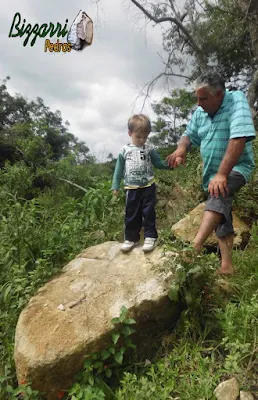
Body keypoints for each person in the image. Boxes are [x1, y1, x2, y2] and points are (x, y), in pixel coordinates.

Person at [167, 71, 256, 275]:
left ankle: (194, 248)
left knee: (218, 193)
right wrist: (181, 149)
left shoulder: (236, 100)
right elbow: (188, 135)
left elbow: (239, 138)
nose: (199, 103)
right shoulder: (201, 112)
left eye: (203, 98)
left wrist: (222, 174)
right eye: (197, 98)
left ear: (219, 95)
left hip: (237, 168)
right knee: (221, 211)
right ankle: (227, 266)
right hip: (212, 175)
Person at [112, 114, 174, 253]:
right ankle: (131, 238)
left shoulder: (149, 149)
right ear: (130, 133)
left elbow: (158, 163)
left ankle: (150, 237)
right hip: (131, 188)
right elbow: (118, 170)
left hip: (148, 186)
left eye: (145, 137)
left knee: (148, 212)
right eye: (138, 137)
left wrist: (169, 165)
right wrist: (115, 186)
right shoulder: (124, 150)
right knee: (131, 213)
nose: (141, 140)